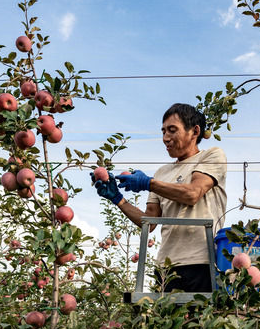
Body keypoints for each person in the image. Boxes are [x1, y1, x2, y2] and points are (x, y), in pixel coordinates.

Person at [95, 103, 227, 292]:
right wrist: (117, 199)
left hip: (202, 262)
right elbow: (148, 222)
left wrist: (148, 183)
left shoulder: (212, 156)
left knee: (198, 320)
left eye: (172, 131)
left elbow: (192, 194)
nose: (166, 138)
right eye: (163, 131)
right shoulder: (162, 173)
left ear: (195, 131)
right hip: (166, 267)